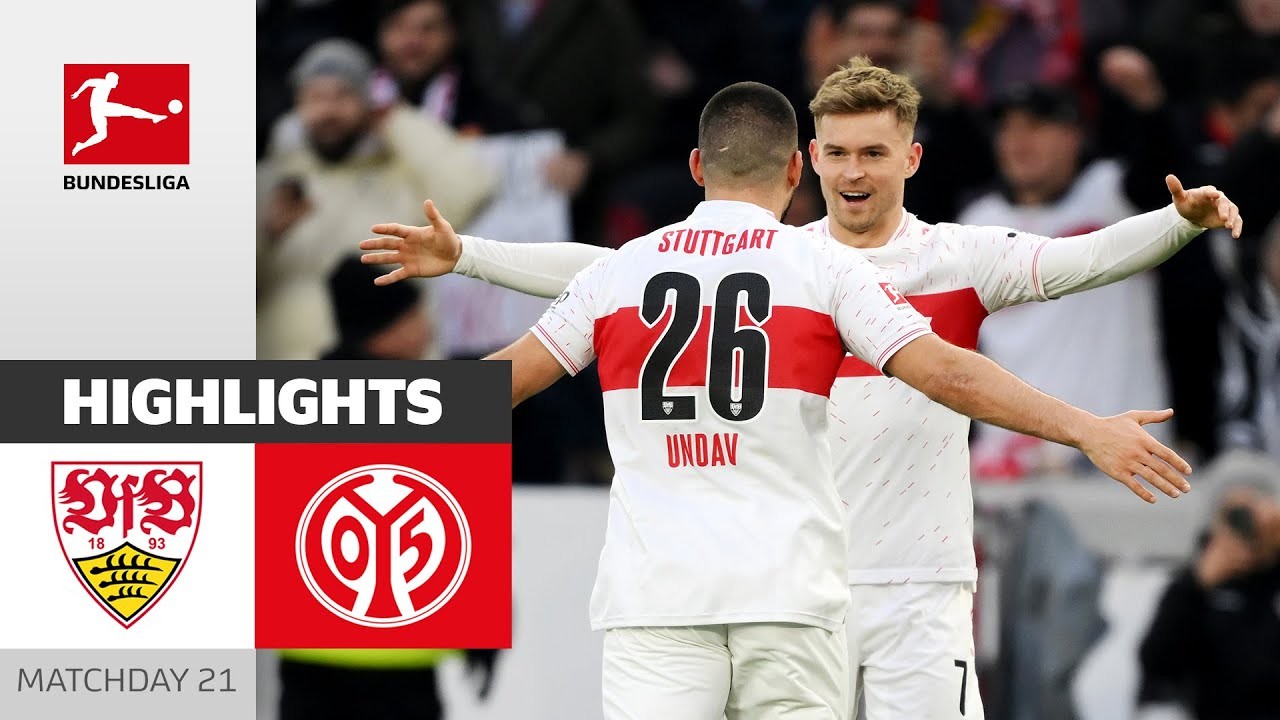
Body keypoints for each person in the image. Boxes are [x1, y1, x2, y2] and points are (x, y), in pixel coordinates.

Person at [364, 58, 1241, 718]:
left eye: (874, 153)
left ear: (911, 158)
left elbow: (1081, 261)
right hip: (798, 586)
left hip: (886, 579)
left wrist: (1176, 223)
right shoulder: (813, 267)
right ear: (803, 164)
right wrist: (472, 255)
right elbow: (944, 369)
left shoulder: (945, 256)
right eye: (838, 154)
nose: (854, 173)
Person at [1136, 450, 1280, 720]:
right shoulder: (1195, 585)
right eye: (1236, 516)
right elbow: (1157, 665)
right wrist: (1197, 584)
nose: (1246, 527)